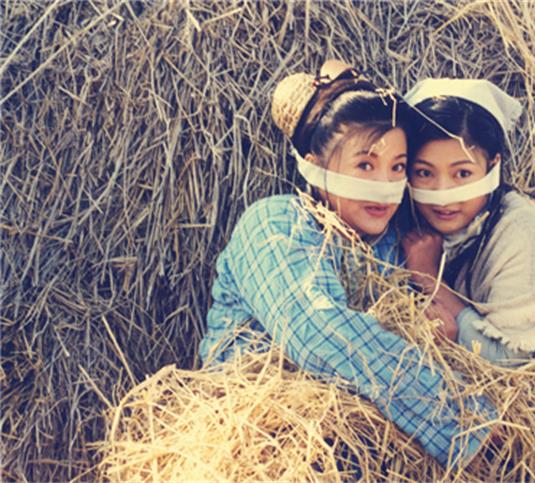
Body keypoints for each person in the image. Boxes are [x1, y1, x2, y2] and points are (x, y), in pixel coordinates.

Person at [198, 61, 495, 469]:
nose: (384, 185)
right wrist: (463, 420)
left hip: (365, 440)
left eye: (397, 167)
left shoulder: (391, 242)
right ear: (316, 165)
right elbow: (320, 332)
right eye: (365, 165)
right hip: (264, 440)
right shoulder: (274, 224)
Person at [401, 79, 535, 368]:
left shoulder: (523, 235)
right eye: (424, 173)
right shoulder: (402, 216)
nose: (443, 195)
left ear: (493, 167)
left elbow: (511, 359)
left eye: (462, 174)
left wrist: (429, 279)